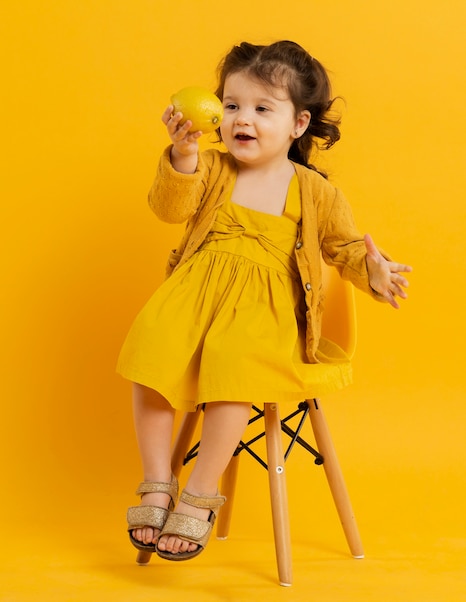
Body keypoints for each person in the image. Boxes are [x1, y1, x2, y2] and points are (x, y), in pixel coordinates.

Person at [117, 40, 412, 562]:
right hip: (194, 297)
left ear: (298, 124)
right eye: (230, 106)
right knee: (150, 347)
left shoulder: (314, 191)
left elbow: (343, 248)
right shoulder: (212, 169)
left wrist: (375, 270)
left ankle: (200, 493)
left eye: (260, 108)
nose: (240, 119)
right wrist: (183, 155)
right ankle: (157, 480)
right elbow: (169, 208)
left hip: (267, 315)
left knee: (234, 368)